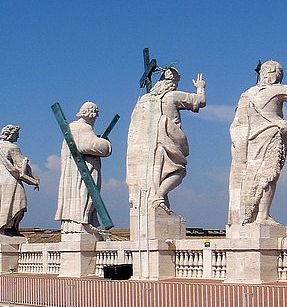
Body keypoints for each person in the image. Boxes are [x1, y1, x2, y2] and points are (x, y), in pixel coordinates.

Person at [228, 60, 287, 227]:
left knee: (251, 177)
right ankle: (262, 216)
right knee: (269, 175)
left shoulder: (246, 94)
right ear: (276, 74)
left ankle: (249, 217)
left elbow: (237, 124)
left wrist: (238, 146)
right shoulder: (277, 90)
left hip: (249, 141)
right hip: (271, 136)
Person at [126, 67, 206, 213]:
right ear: (172, 82)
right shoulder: (173, 96)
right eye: (175, 82)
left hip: (145, 146)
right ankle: (159, 196)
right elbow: (200, 101)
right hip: (167, 141)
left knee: (156, 177)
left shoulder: (143, 100)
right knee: (179, 171)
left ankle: (158, 199)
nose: (175, 85)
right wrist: (200, 87)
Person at [55, 101, 112, 232]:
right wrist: (106, 144)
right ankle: (82, 222)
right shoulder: (83, 127)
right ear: (92, 114)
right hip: (84, 171)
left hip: (75, 171)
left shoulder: (71, 128)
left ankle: (79, 223)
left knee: (81, 195)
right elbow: (90, 145)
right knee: (87, 194)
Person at [0, 125, 39, 237]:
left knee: (5, 204)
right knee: (20, 203)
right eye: (16, 134)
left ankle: (8, 228)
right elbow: (21, 166)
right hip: (11, 179)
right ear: (10, 134)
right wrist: (34, 179)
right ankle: (10, 228)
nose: (18, 137)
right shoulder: (13, 148)